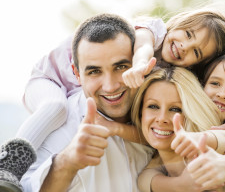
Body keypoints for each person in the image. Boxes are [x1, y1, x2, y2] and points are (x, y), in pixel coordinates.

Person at [18, 7, 225, 157]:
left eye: (196, 52)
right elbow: (142, 49)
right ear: (175, 24)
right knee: (55, 108)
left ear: (198, 66)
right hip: (46, 80)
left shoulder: (176, 81)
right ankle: (10, 161)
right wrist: (139, 65)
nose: (184, 46)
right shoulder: (144, 34)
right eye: (186, 33)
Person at [20, 13, 154, 192]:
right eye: (94, 72)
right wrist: (66, 163)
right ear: (76, 73)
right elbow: (24, 187)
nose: (110, 86)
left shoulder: (160, 112)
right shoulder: (61, 129)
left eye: (121, 67)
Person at [133, 66, 225, 192]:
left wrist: (201, 139)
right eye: (153, 106)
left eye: (175, 109)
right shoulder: (152, 169)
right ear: (141, 113)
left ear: (191, 114)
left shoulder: (216, 154)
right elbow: (145, 181)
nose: (162, 118)